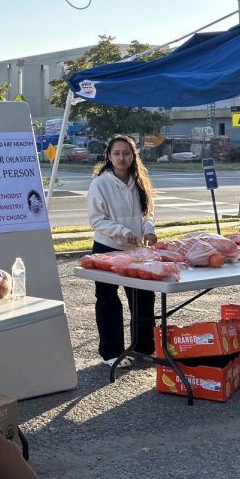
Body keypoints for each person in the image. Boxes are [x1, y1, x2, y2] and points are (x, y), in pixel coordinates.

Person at [86, 134, 157, 367]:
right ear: (108, 156)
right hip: (107, 247)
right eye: (116, 153)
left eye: (126, 153)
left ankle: (144, 346)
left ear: (133, 155)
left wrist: (148, 229)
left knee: (143, 296)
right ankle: (111, 353)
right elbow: (97, 220)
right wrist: (121, 230)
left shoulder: (138, 180)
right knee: (107, 300)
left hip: (136, 250)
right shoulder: (100, 184)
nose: (121, 157)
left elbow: (146, 213)